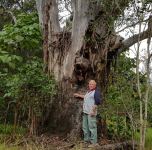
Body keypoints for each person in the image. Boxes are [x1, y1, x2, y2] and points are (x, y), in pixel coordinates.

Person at [74, 80, 101, 148]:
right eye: (90, 84)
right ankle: (86, 140)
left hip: (91, 112)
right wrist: (79, 95)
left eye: (92, 84)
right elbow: (85, 97)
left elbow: (97, 102)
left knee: (92, 127)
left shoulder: (96, 92)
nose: (90, 85)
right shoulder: (89, 92)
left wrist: (93, 111)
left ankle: (94, 143)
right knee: (85, 127)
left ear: (95, 85)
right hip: (85, 112)